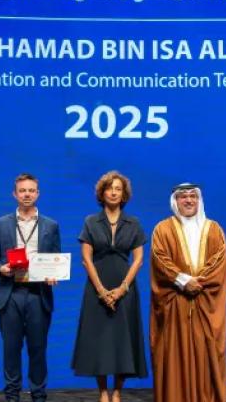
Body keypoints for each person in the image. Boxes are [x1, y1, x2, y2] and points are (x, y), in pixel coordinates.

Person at [71, 171, 148, 402]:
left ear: (124, 194)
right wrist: (102, 291)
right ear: (102, 193)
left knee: (123, 340)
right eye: (109, 188)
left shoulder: (133, 223)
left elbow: (139, 259)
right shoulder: (90, 221)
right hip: (97, 287)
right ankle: (103, 392)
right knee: (100, 341)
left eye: (118, 189)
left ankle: (117, 392)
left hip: (125, 288)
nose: (114, 192)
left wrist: (123, 288)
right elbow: (86, 258)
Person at [149, 183, 226, 402]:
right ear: (175, 201)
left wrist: (197, 282)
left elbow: (219, 261)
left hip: (204, 303)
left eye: (193, 196)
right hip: (175, 304)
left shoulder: (214, 229)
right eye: (183, 197)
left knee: (206, 355)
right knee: (175, 355)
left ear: (199, 200)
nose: (188, 200)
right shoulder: (162, 229)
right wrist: (183, 281)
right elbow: (159, 259)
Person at [0, 174, 61, 402]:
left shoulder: (51, 225)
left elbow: (56, 258)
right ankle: (12, 396)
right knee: (11, 349)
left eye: (31, 190)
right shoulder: (2, 223)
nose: (27, 194)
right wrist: (1, 269)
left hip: (38, 294)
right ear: (15, 194)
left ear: (38, 193)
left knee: (38, 350)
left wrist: (54, 274)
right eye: (22, 190)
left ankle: (39, 396)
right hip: (11, 294)